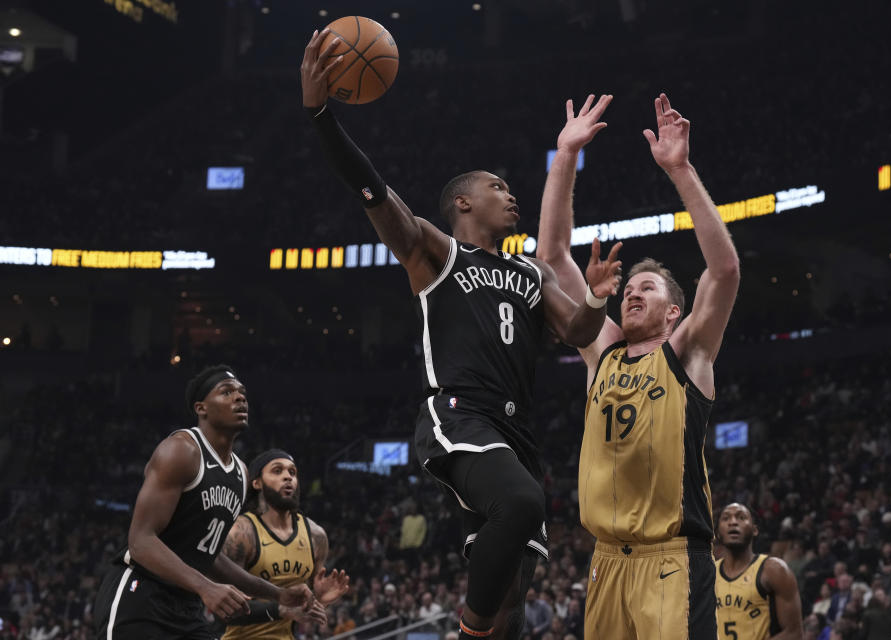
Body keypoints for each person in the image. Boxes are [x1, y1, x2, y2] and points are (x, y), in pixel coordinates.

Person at [300, 29, 623, 640]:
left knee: (515, 596)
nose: (511, 195)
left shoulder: (528, 271)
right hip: (459, 415)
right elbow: (371, 188)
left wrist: (595, 296)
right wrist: (320, 116)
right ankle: (466, 631)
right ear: (463, 204)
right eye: (497, 187)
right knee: (522, 504)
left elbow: (578, 329)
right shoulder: (435, 253)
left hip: (514, 428)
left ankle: (488, 628)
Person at [536, 92, 741, 640]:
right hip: (606, 561)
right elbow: (552, 258)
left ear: (674, 311)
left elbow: (723, 271)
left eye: (646, 289)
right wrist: (566, 156)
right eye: (627, 287)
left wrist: (680, 169)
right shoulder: (601, 351)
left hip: (672, 558)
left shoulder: (687, 352)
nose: (631, 293)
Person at [92, 365, 315, 640]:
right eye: (227, 392)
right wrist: (206, 587)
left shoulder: (241, 474)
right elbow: (140, 541)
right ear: (202, 408)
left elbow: (210, 557)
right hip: (140, 595)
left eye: (242, 393)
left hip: (187, 606)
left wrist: (278, 594)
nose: (240, 398)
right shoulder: (181, 451)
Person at [221, 449, 350, 639]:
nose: (288, 477)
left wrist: (319, 601)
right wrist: (280, 609)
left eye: (292, 472)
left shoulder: (316, 536)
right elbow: (225, 611)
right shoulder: (241, 533)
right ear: (257, 483)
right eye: (277, 470)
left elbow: (301, 608)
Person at [714, 503, 802, 640]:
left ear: (755, 530)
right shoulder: (708, 574)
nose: (733, 522)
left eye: (741, 517)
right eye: (726, 518)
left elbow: (794, 633)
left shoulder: (775, 570)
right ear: (718, 533)